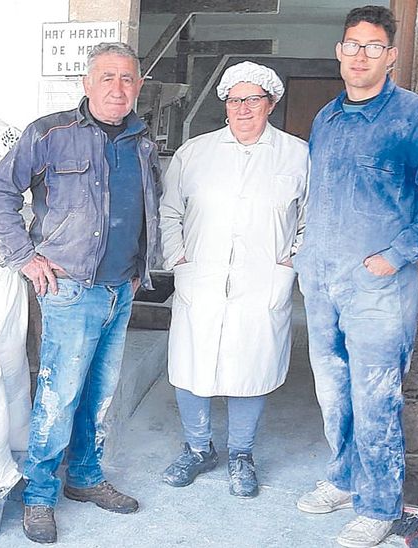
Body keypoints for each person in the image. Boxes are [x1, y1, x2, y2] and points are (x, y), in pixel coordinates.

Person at [293, 6, 418, 548]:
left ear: (391, 56)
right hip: (322, 281)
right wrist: (304, 253)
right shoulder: (327, 118)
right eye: (352, 45)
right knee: (333, 393)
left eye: (374, 46)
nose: (361, 56)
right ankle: (344, 478)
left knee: (376, 397)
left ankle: (379, 504)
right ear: (339, 52)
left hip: (378, 285)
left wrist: (397, 254)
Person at [0, 41, 160, 545]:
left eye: (127, 79)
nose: (118, 88)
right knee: (59, 397)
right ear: (87, 83)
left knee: (100, 395)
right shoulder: (51, 132)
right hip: (69, 288)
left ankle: (84, 477)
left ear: (139, 86)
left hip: (118, 289)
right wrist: (24, 257)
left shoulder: (142, 143)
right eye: (107, 77)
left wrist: (139, 267)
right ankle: (39, 496)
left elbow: (146, 207)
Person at [158, 61, 308, 499]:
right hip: (200, 276)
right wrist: (178, 257)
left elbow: (310, 219)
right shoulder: (195, 153)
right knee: (192, 366)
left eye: (253, 99)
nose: (243, 108)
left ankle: (242, 453)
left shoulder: (297, 154)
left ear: (271, 103)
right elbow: (170, 212)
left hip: (263, 280)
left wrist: (290, 263)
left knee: (252, 367)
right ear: (225, 104)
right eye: (234, 99)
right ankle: (197, 448)